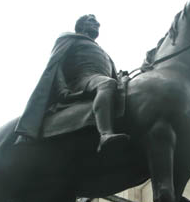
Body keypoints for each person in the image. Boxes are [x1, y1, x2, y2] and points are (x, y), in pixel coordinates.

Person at [15, 14, 129, 152]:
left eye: (98, 23)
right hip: (81, 80)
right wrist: (62, 90)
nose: (97, 24)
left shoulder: (101, 50)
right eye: (92, 21)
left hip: (97, 79)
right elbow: (55, 66)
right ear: (80, 25)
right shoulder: (69, 39)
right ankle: (105, 134)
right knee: (107, 84)